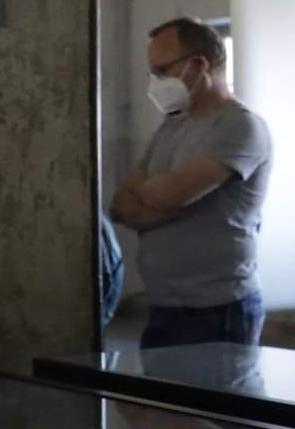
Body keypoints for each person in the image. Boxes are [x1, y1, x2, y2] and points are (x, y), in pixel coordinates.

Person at [111, 18, 274, 348]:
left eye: (162, 71)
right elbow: (120, 206)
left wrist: (159, 193)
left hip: (217, 310)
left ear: (199, 66)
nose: (155, 82)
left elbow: (170, 195)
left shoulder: (240, 126)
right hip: (164, 307)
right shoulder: (172, 126)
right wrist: (172, 199)